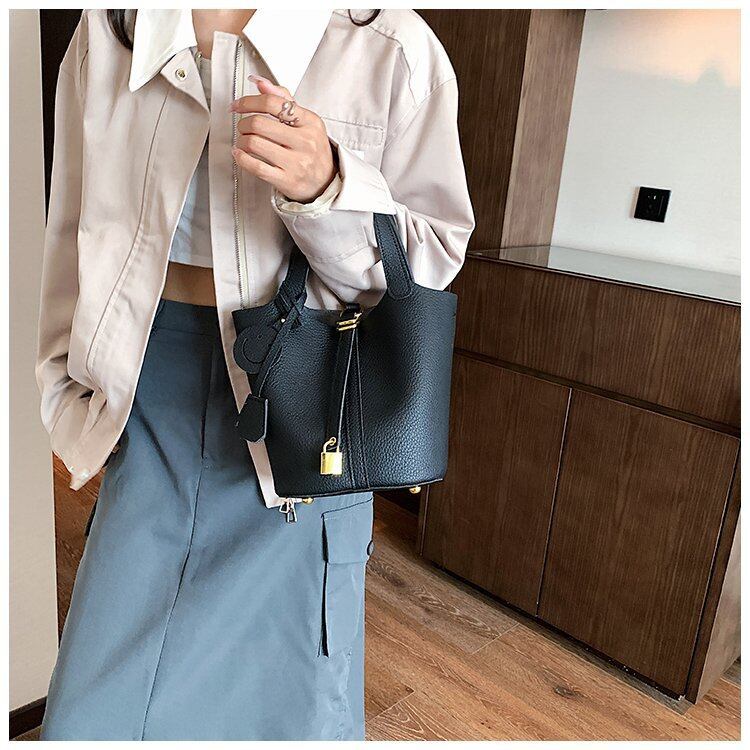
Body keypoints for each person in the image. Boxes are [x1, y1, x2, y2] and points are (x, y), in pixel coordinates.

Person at [36, 8, 474, 740]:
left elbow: (429, 264)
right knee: (94, 715)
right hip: (150, 396)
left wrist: (330, 187)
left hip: (310, 408)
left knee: (286, 712)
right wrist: (65, 380)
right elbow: (75, 221)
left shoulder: (389, 46)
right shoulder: (115, 25)